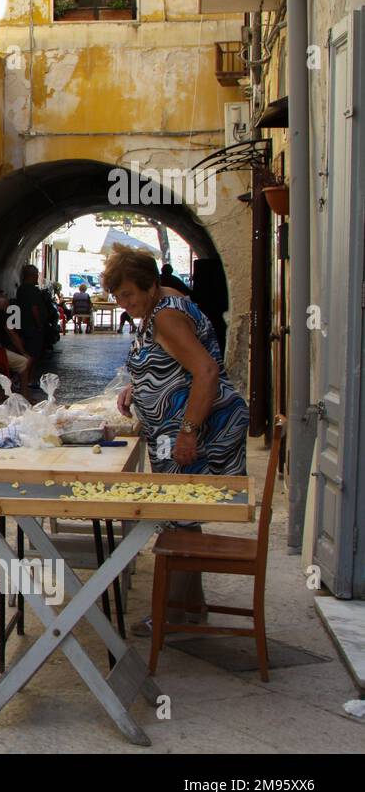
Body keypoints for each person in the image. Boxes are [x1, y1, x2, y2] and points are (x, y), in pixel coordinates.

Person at [105, 244, 249, 635]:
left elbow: (204, 370)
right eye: (118, 297)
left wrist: (188, 432)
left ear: (150, 285)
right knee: (182, 515)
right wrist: (140, 386)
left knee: (177, 517)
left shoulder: (166, 316)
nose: (124, 303)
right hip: (179, 426)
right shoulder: (160, 304)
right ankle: (190, 606)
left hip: (194, 427)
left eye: (129, 295)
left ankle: (170, 612)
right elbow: (171, 363)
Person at [15, 264, 47, 388]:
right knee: (33, 355)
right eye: (36, 275)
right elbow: (34, 309)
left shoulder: (21, 289)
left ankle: (27, 379)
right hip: (32, 327)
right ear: (32, 275)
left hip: (23, 325)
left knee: (28, 352)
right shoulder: (32, 290)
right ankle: (24, 379)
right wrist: (39, 324)